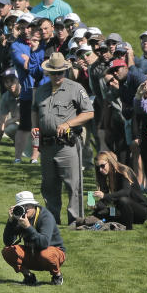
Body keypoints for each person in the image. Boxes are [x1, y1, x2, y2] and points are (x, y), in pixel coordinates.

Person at [35, 52, 95, 225]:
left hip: (67, 145)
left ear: (66, 71)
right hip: (46, 146)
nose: (57, 76)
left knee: (73, 185)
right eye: (54, 73)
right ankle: (52, 220)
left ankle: (75, 220)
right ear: (48, 73)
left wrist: (69, 124)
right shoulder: (41, 91)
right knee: (48, 185)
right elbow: (35, 115)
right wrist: (35, 143)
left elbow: (89, 112)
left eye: (60, 72)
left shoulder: (75, 88)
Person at [1, 191, 66, 286]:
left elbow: (44, 244)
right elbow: (8, 242)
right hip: (33, 253)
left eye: (28, 205)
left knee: (46, 254)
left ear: (34, 205)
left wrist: (28, 227)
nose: (25, 209)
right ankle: (29, 277)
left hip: (53, 253)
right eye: (22, 206)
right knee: (7, 251)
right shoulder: (19, 217)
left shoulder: (45, 217)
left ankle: (57, 276)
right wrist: (10, 222)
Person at [91, 151, 147, 229]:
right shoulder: (106, 176)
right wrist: (96, 206)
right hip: (120, 209)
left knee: (123, 200)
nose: (100, 169)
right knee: (100, 212)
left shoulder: (123, 171)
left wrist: (104, 196)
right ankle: (100, 220)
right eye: (98, 167)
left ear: (110, 162)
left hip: (139, 211)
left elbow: (125, 192)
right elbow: (106, 200)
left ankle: (127, 227)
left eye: (102, 166)